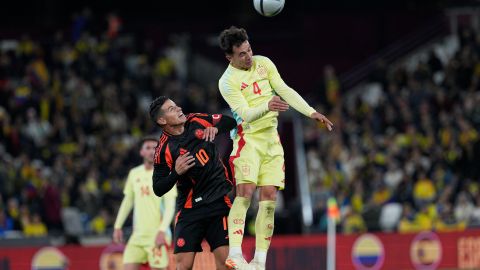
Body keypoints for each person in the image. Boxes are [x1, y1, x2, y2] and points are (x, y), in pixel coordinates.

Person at [218, 26, 334, 270]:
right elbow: (246, 114)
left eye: (249, 50)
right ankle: (235, 254)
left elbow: (284, 90)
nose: (248, 56)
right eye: (241, 54)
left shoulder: (264, 63)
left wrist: (311, 112)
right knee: (245, 193)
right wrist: (268, 105)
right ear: (229, 57)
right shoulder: (227, 82)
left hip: (271, 140)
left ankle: (259, 261)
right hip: (247, 139)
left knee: (269, 198)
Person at [150, 96, 237, 270]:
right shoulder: (163, 149)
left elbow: (230, 121)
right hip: (190, 210)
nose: (179, 108)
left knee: (227, 263)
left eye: (176, 105)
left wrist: (216, 128)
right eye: (171, 109)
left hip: (218, 201)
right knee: (183, 266)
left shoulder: (196, 119)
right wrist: (176, 172)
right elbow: (158, 188)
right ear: (162, 120)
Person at [112, 136, 177, 270]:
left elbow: (170, 207)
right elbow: (128, 201)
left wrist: (162, 231)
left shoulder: (166, 174)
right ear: (141, 152)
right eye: (148, 148)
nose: (151, 151)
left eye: (155, 148)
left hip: (156, 236)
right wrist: (118, 226)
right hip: (137, 237)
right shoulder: (134, 174)